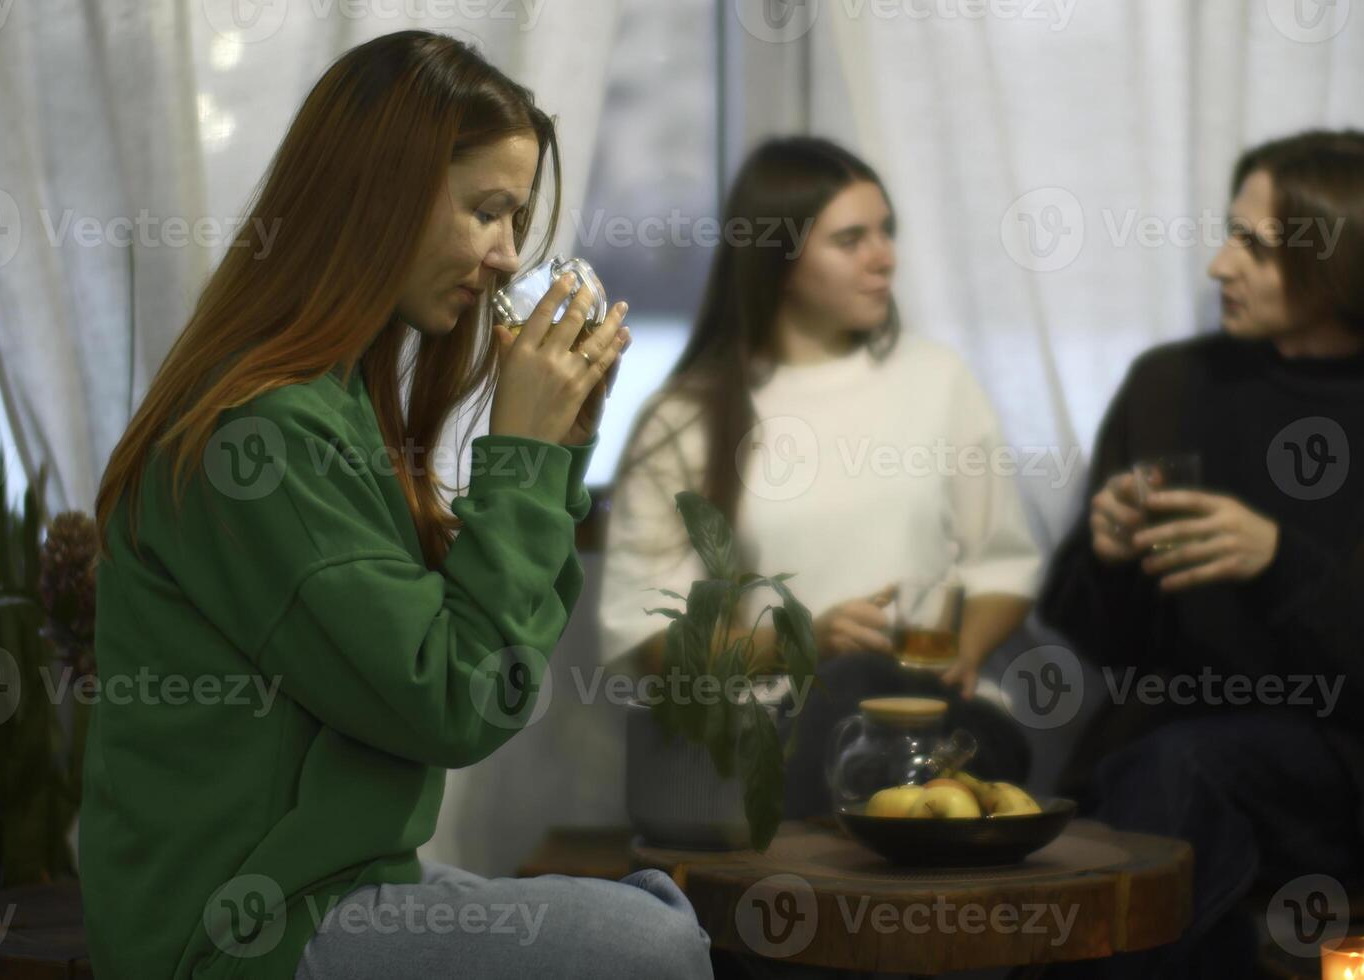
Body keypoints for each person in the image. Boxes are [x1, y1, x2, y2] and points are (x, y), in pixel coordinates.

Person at [83, 32, 711, 980]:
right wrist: (526, 457)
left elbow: (486, 678)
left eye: (515, 220)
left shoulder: (334, 401)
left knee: (655, 919)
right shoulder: (259, 436)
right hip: (247, 932)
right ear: (379, 197)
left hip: (349, 885)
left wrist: (560, 447)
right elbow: (454, 702)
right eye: (488, 212)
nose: (507, 257)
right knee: (655, 942)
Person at [1038, 129, 1364, 977]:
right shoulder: (1169, 386)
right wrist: (1104, 555)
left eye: (1254, 245)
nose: (1219, 265)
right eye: (1229, 233)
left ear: (1342, 261)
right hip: (1152, 750)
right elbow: (1103, 642)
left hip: (1330, 773)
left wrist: (1278, 561)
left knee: (1170, 784)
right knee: (1164, 808)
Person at [598, 137, 1042, 819]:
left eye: (887, 232)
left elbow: (1003, 568)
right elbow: (650, 642)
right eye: (851, 239)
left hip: (942, 725)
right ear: (780, 261)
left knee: (908, 713)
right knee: (847, 689)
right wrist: (804, 643)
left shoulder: (937, 380)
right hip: (769, 736)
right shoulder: (685, 418)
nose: (884, 257)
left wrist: (963, 649)